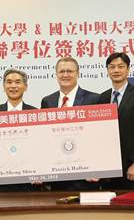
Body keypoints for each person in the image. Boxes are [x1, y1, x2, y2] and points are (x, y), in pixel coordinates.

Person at [41, 57, 100, 191]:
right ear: (56, 74)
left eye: (69, 71)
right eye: (62, 71)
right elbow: (45, 138)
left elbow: (99, 137)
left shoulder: (94, 99)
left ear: (78, 74)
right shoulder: (47, 101)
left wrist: (97, 167)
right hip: (57, 175)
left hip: (86, 175)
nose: (65, 75)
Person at [98, 52, 134, 190]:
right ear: (107, 71)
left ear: (128, 69)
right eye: (112, 67)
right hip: (109, 169)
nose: (116, 70)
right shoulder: (102, 97)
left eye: (120, 66)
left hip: (133, 169)